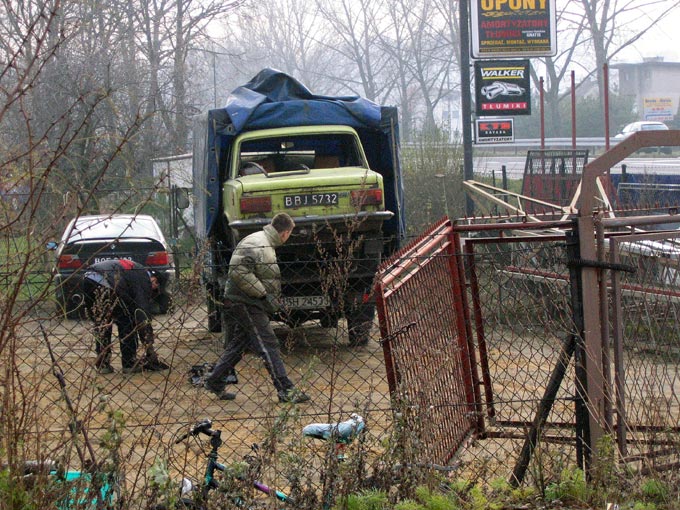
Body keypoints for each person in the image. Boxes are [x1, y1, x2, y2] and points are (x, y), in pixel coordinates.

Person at [203, 212, 310, 404]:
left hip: (245, 301)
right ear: (285, 233)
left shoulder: (263, 242)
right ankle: (285, 389)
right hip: (246, 302)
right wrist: (261, 293)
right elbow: (238, 270)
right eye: (290, 234)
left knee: (239, 345)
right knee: (268, 343)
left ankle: (214, 380)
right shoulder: (258, 243)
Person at [77, 259, 170, 374]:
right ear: (155, 281)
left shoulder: (135, 270)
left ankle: (103, 364)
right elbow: (142, 313)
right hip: (108, 283)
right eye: (155, 288)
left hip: (88, 279)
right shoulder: (143, 278)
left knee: (102, 323)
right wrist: (149, 346)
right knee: (127, 320)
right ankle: (129, 363)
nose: (152, 291)